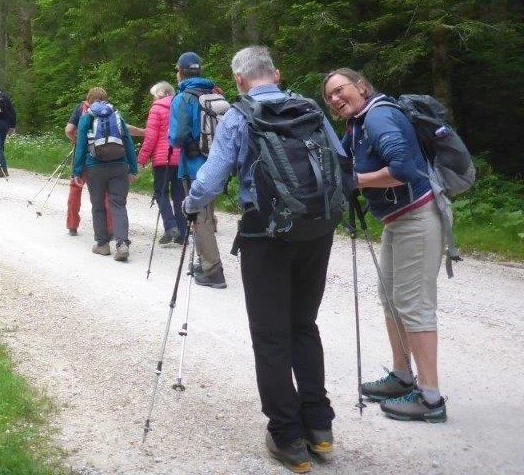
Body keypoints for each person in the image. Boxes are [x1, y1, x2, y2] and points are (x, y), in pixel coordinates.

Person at [183, 46, 338, 472]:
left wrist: (191, 204)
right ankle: (320, 430)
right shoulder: (309, 108)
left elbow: (212, 177)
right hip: (316, 231)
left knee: (270, 336)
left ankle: (287, 437)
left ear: (238, 81)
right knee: (303, 325)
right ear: (276, 73)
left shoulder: (239, 116)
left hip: (265, 236)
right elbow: (340, 162)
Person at [323, 68, 448, 424]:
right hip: (398, 221)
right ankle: (402, 377)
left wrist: (357, 181)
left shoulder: (378, 117)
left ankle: (430, 398)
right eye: (329, 95)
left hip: (418, 218)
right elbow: (338, 161)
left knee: (414, 305)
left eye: (339, 89)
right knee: (391, 298)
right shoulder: (358, 123)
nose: (334, 99)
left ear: (361, 86)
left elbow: (404, 169)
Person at [169, 51, 226, 288]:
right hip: (218, 164)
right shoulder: (213, 94)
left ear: (180, 72)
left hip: (194, 165)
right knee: (208, 213)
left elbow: (178, 136)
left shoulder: (183, 99)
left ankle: (213, 271)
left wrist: (174, 140)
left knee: (198, 215)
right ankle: (204, 262)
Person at [71, 87, 138, 262]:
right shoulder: (117, 116)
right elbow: (128, 142)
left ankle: (102, 245)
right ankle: (122, 243)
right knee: (118, 204)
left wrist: (77, 171)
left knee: (98, 205)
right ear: (105, 99)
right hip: (119, 166)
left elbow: (80, 147)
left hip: (95, 168)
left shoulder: (87, 117)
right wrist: (133, 168)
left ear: (90, 101)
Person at [137, 81, 184, 245]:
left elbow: (150, 137)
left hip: (162, 158)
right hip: (181, 157)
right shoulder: (181, 105)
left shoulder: (156, 108)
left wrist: (141, 159)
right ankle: (181, 233)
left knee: (161, 193)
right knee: (179, 195)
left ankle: (171, 226)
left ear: (160, 93)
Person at [65, 90, 110, 238]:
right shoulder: (109, 111)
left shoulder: (81, 109)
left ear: (88, 99)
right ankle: (109, 227)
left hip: (82, 156)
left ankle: (72, 225)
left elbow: (69, 130)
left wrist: (77, 142)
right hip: (102, 157)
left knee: (75, 189)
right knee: (104, 193)